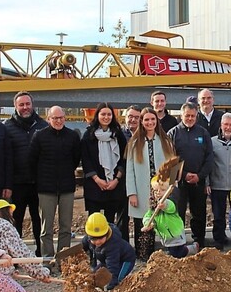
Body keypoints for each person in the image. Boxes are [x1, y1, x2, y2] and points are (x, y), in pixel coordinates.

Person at [28, 106, 81, 263]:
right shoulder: (39, 136)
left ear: (65, 118)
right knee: (46, 228)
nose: (58, 121)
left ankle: (63, 260)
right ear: (48, 119)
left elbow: (75, 159)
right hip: (46, 189)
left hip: (66, 188)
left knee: (66, 227)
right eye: (54, 118)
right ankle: (47, 259)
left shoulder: (72, 136)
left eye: (61, 118)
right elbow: (32, 160)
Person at [125, 107, 176, 260]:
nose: (150, 122)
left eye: (152, 119)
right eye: (146, 119)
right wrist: (131, 193)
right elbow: (130, 171)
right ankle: (142, 255)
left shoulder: (165, 141)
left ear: (156, 121)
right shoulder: (135, 143)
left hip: (159, 190)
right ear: (142, 122)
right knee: (142, 222)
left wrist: (170, 187)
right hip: (141, 190)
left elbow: (172, 165)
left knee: (158, 219)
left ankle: (156, 255)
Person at [4, 91, 47, 256]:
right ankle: (16, 256)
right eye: (21, 105)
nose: (25, 107)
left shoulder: (43, 126)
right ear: (15, 107)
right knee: (16, 221)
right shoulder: (7, 128)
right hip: (17, 183)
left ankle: (40, 253)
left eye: (27, 104)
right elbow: (5, 157)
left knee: (39, 221)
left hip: (39, 183)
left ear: (32, 105)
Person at [167, 102, 214, 248]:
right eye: (187, 115)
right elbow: (170, 159)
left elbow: (209, 157)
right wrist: (185, 174)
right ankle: (178, 242)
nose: (190, 118)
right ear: (181, 115)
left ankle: (198, 241)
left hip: (198, 181)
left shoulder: (203, 133)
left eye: (193, 116)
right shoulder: (172, 133)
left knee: (198, 213)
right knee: (178, 213)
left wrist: (199, 176)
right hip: (179, 182)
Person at [81, 102, 128, 241]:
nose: (106, 117)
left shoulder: (118, 135)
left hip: (113, 186)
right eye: (103, 114)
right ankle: (94, 251)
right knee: (94, 221)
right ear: (98, 115)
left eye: (109, 114)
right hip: (94, 186)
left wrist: (116, 179)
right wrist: (97, 179)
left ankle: (110, 249)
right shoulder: (88, 135)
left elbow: (124, 159)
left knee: (110, 222)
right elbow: (85, 159)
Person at [206, 112, 231, 250]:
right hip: (217, 185)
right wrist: (207, 182)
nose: (228, 127)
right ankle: (219, 240)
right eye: (225, 124)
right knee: (218, 215)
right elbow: (207, 163)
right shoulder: (212, 142)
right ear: (221, 125)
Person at [141, 176, 199, 258]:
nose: (158, 192)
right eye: (155, 190)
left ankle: (192, 249)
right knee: (176, 251)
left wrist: (164, 205)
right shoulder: (153, 207)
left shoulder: (170, 202)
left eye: (162, 190)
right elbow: (147, 216)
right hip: (166, 235)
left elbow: (171, 208)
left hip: (175, 233)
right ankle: (185, 251)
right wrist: (147, 223)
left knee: (177, 252)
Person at [81, 213, 136, 291]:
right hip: (106, 260)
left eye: (100, 238)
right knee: (94, 276)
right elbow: (81, 247)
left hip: (125, 260)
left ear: (106, 233)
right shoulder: (89, 238)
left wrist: (110, 286)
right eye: (94, 239)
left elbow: (112, 268)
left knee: (117, 279)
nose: (97, 242)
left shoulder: (112, 245)